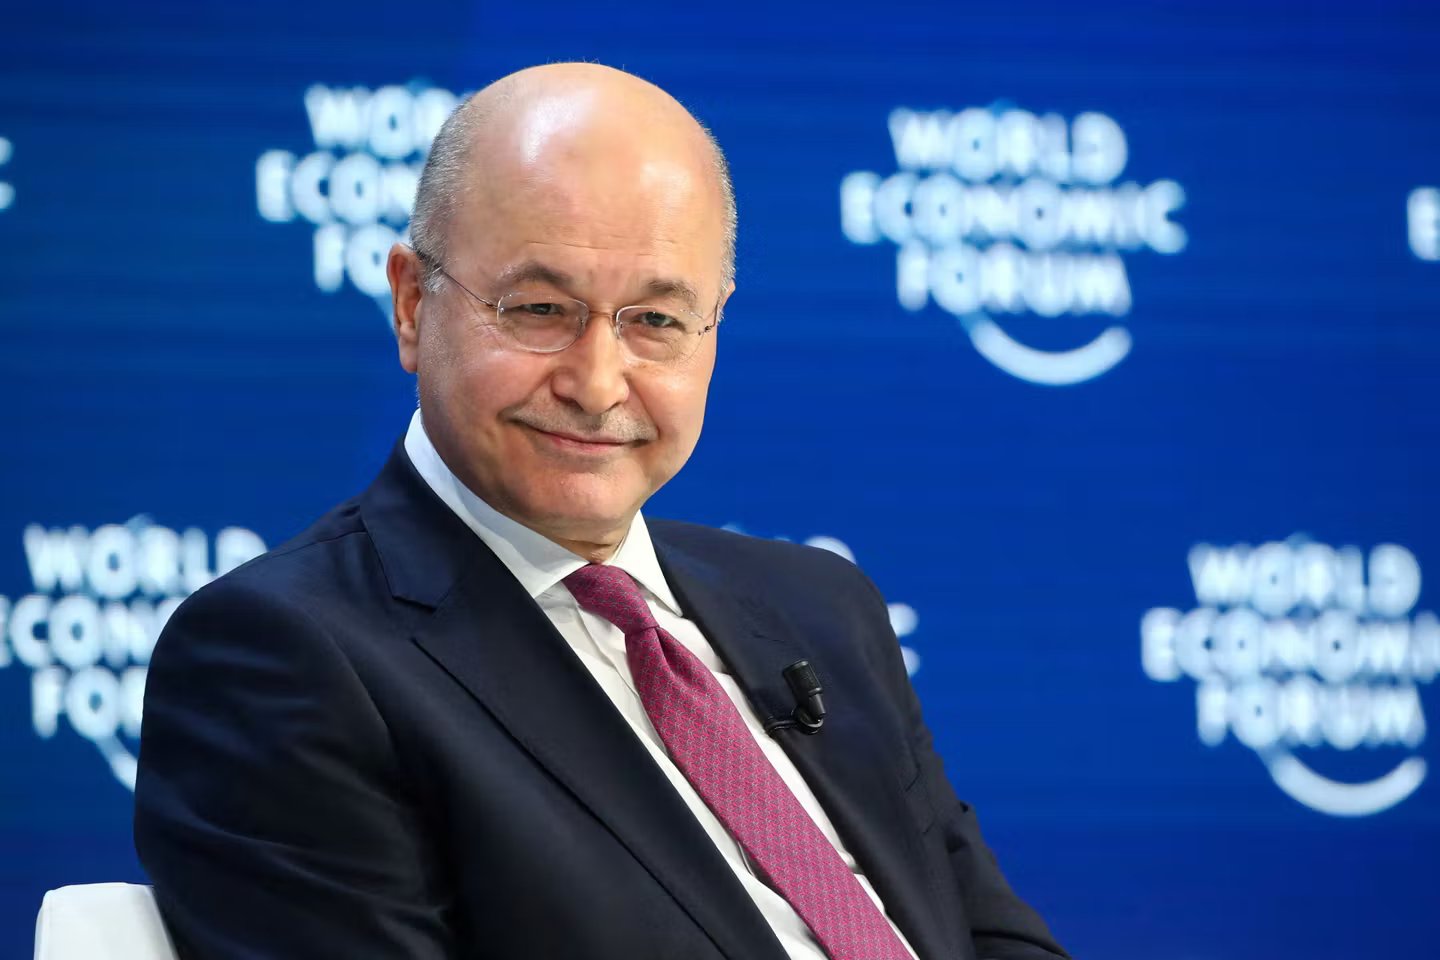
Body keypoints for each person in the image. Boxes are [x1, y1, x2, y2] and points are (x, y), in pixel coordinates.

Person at [133, 62, 1068, 960]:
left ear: (714, 327)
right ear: (414, 305)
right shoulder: (283, 658)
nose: (597, 382)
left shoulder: (821, 608)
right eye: (540, 309)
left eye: (655, 321)